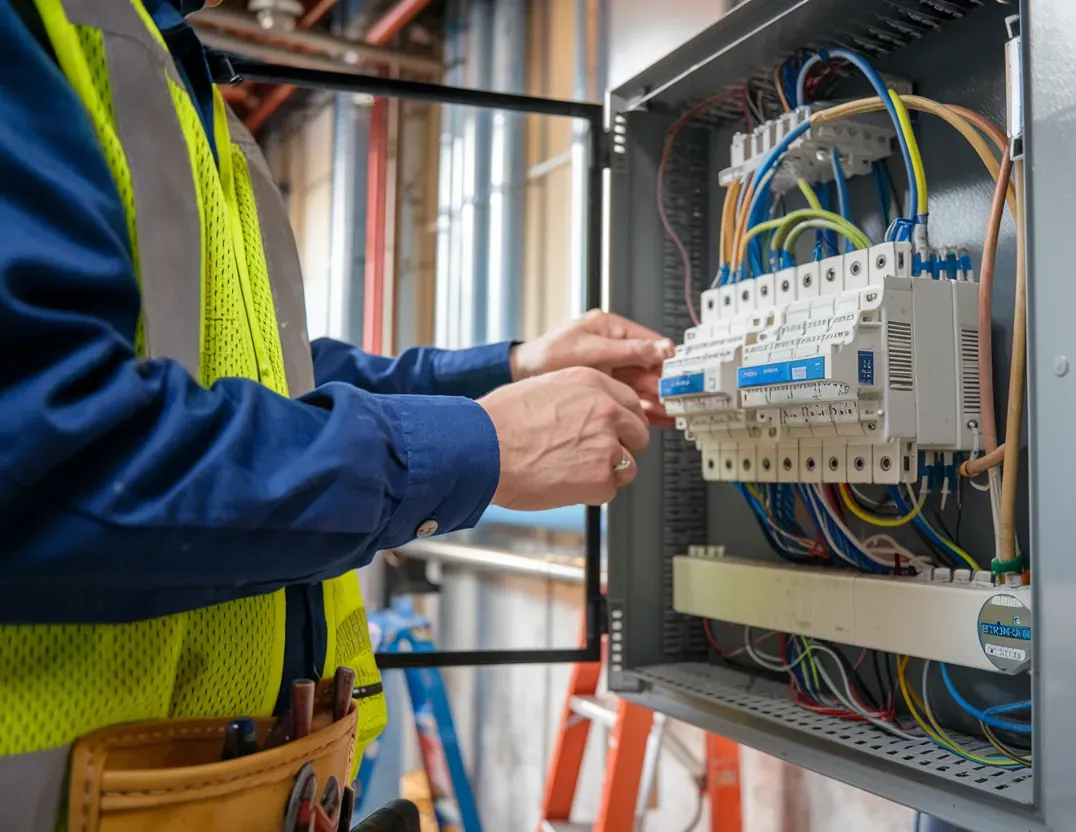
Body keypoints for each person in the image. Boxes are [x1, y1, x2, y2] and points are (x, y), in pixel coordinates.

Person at [0, 0, 672, 824]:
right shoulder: (50, 31)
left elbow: (276, 377)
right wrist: (483, 442)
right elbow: (47, 455)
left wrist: (511, 370)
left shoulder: (171, 68)